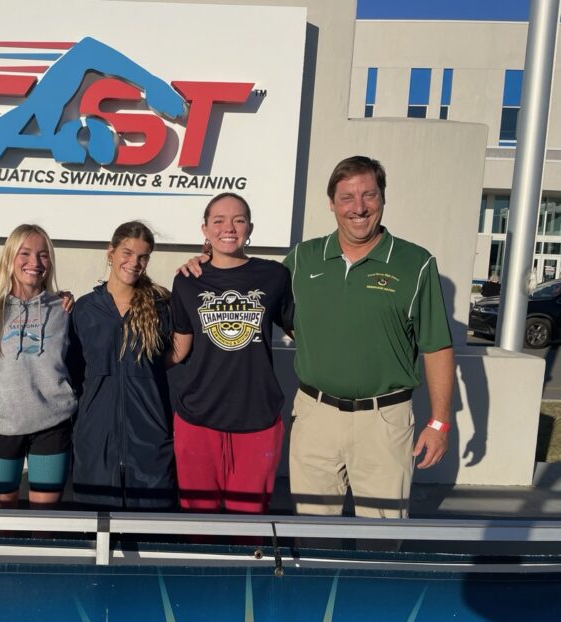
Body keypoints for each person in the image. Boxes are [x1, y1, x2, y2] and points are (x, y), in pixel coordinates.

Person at [283, 156, 454, 518]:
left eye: (368, 195)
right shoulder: (304, 258)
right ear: (331, 203)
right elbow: (264, 300)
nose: (358, 208)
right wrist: (205, 262)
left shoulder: (415, 262)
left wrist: (439, 422)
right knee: (312, 536)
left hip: (384, 422)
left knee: (382, 538)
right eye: (347, 197)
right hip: (315, 417)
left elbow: (436, 345)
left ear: (382, 199)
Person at [167, 193, 293, 514]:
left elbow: (302, 331)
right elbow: (179, 347)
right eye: (218, 220)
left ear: (250, 228)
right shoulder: (186, 280)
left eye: (238, 220)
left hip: (257, 417)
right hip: (198, 416)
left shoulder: (274, 276)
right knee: (198, 519)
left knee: (250, 520)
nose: (229, 227)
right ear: (205, 230)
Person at [68, 221, 176, 511]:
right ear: (111, 253)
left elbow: (173, 359)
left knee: (151, 533)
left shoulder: (161, 307)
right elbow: (73, 372)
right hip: (96, 437)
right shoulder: (84, 309)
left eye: (143, 256)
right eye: (127, 252)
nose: (134, 262)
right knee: (97, 531)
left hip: (150, 436)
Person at [0, 224, 77, 511]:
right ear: (9, 257)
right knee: (3, 521)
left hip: (51, 426)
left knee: (44, 522)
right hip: (2, 425)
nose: (35, 262)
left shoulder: (63, 309)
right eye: (26, 253)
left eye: (43, 255)